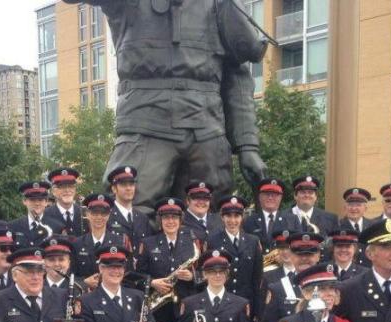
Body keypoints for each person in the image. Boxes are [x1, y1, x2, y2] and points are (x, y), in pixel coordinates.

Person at [65, 0, 267, 207]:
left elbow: (237, 77)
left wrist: (247, 145)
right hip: (144, 127)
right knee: (129, 213)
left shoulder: (221, 4)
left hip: (207, 132)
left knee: (212, 220)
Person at [208, 195, 264, 322]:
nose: (233, 220)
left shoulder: (252, 240)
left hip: (245, 303)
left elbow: (257, 279)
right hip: (222, 301)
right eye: (228, 216)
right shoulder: (213, 240)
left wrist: (257, 308)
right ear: (222, 218)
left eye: (237, 216)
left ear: (242, 218)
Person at [72, 193, 131, 289]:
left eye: (103, 213)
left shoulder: (121, 242)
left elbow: (128, 275)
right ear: (87, 214)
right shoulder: (77, 244)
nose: (99, 217)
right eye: (94, 213)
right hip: (85, 298)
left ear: (108, 215)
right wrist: (84, 282)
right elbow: (69, 276)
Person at [244, 178, 302, 249]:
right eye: (266, 194)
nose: (270, 197)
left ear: (281, 197)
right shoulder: (250, 221)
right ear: (259, 196)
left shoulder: (292, 220)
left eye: (275, 194)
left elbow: (298, 247)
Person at [106, 166, 154, 250]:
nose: (128, 188)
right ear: (114, 189)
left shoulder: (142, 218)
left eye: (131, 184)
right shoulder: (106, 216)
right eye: (123, 185)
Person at [10, 181, 55, 248]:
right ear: (24, 201)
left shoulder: (57, 227)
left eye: (40, 200)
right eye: (32, 200)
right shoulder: (13, 226)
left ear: (46, 202)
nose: (37, 203)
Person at [43, 167, 85, 237]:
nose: (67, 190)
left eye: (71, 186)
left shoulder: (85, 214)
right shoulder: (44, 216)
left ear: (75, 190)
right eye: (62, 187)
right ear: (54, 191)